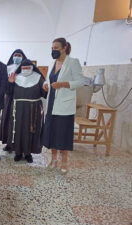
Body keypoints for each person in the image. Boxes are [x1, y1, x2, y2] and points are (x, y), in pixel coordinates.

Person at [42, 37, 87, 173]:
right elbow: (49, 80)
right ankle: (53, 158)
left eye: (56, 48)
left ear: (64, 48)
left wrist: (64, 84)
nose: (53, 50)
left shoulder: (73, 62)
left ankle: (64, 161)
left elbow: (80, 81)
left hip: (64, 106)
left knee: (63, 134)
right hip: (51, 104)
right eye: (52, 48)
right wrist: (46, 85)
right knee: (51, 132)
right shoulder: (52, 63)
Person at [6, 59, 47, 163]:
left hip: (33, 109)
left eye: (28, 68)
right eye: (23, 68)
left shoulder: (38, 78)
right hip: (18, 108)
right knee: (18, 129)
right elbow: (9, 93)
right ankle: (18, 152)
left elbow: (44, 94)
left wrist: (46, 90)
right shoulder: (16, 77)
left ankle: (28, 153)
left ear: (33, 68)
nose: (25, 70)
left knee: (31, 130)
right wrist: (10, 83)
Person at [0, 49, 27, 152]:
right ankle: (8, 143)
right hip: (9, 98)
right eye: (15, 55)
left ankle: (19, 144)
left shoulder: (26, 69)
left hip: (21, 98)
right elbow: (3, 83)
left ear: (23, 57)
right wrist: (10, 83)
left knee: (20, 121)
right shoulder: (8, 68)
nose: (17, 57)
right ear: (12, 56)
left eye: (19, 55)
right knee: (8, 121)